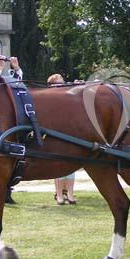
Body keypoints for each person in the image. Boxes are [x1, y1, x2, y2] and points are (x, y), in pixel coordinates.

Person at [48, 73, 77, 205]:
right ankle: (59, 195)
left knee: (71, 166)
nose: (63, 83)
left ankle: (70, 194)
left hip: (69, 133)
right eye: (60, 82)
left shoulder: (67, 94)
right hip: (56, 134)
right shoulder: (50, 96)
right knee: (59, 165)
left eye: (63, 81)